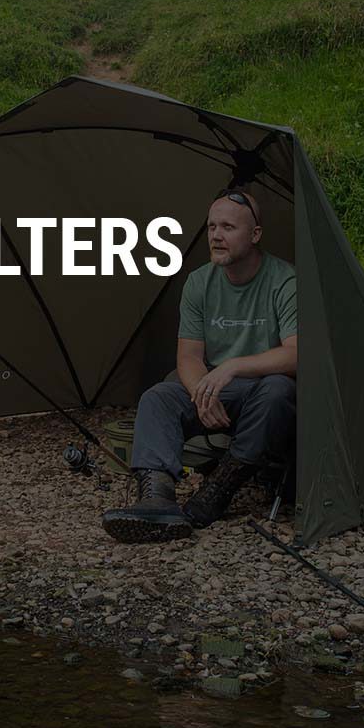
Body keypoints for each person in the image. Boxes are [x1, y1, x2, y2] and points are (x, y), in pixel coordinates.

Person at [102, 188, 297, 543]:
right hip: (219, 390)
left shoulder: (284, 281)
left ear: (255, 235)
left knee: (279, 390)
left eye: (228, 227)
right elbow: (189, 357)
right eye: (211, 227)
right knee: (159, 397)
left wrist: (233, 366)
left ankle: (219, 488)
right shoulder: (199, 282)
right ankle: (157, 499)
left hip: (264, 387)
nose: (217, 236)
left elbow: (295, 355)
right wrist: (201, 394)